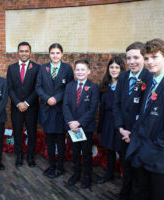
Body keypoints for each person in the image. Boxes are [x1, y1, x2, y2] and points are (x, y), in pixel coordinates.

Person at [125, 39, 164, 200]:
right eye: (146, 58)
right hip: (140, 151)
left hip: (157, 159)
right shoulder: (151, 82)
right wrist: (134, 137)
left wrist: (147, 152)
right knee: (138, 194)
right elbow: (143, 114)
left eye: (154, 57)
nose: (149, 62)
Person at [112, 42, 153, 200]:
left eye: (136, 57)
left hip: (139, 134)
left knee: (139, 172)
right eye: (128, 58)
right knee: (126, 167)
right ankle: (125, 193)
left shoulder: (149, 78)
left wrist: (133, 133)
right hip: (124, 133)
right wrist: (121, 128)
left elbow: (146, 110)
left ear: (144, 58)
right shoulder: (122, 76)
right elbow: (117, 105)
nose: (132, 61)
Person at [35, 43, 74, 178]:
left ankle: (60, 167)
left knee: (60, 140)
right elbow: (38, 87)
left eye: (58, 53)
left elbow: (69, 87)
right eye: (52, 53)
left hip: (60, 110)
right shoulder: (43, 68)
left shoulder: (67, 68)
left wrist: (56, 98)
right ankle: (52, 165)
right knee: (49, 140)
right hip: (46, 109)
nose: (55, 55)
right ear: (49, 54)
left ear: (62, 54)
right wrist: (47, 98)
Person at [62, 60, 99, 189]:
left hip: (86, 127)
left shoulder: (93, 87)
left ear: (88, 71)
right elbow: (65, 105)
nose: (80, 72)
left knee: (86, 153)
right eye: (77, 69)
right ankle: (76, 174)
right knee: (75, 152)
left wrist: (79, 122)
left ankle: (87, 176)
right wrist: (72, 123)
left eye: (83, 69)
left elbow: (93, 109)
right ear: (74, 71)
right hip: (72, 127)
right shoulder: (70, 86)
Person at [7, 42, 40, 167]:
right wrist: (18, 103)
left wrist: (26, 103)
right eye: (21, 51)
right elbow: (9, 88)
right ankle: (19, 156)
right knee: (17, 132)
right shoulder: (12, 68)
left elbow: (38, 88)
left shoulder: (37, 68)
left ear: (30, 53)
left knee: (32, 133)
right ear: (18, 52)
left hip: (31, 107)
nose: (24, 53)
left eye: (26, 51)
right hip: (16, 108)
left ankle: (31, 157)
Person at [96, 56, 126, 184]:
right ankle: (108, 174)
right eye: (111, 67)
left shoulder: (125, 85)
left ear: (121, 69)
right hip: (107, 121)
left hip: (120, 123)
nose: (114, 70)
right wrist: (101, 126)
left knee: (122, 151)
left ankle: (126, 178)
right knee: (109, 150)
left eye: (117, 67)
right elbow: (101, 107)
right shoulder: (105, 85)